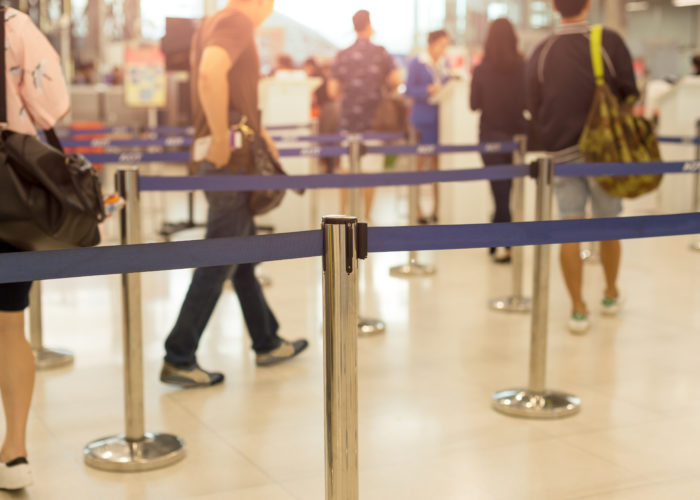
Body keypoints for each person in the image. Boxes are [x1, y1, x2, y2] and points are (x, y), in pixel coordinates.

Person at [160, 0, 308, 389]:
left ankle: (266, 340)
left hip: (229, 154)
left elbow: (229, 92)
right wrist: (224, 144)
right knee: (221, 257)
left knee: (242, 255)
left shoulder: (214, 22)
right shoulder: (237, 21)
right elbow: (211, 73)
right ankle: (179, 354)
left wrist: (259, 135)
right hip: (228, 160)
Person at [527, 0, 638, 334]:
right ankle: (610, 293)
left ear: (553, 6)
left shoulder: (542, 51)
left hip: (561, 154)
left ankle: (577, 308)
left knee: (570, 228)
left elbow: (532, 105)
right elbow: (630, 94)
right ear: (589, 4)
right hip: (604, 153)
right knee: (608, 226)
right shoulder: (608, 41)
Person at [0, 7, 70, 490]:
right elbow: (51, 105)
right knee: (9, 323)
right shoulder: (12, 26)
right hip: (8, 192)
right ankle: (14, 452)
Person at [327, 10, 403, 219]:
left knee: (346, 170)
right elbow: (397, 80)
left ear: (354, 27)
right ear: (369, 25)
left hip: (349, 120)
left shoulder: (343, 55)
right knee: (370, 172)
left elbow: (332, 91)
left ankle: (343, 216)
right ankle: (367, 218)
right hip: (374, 122)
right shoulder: (381, 53)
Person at [471, 19, 527, 263]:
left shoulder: (481, 69)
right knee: (507, 192)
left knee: (499, 192)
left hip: (490, 137)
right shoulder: (523, 66)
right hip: (515, 136)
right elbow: (528, 102)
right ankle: (500, 241)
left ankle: (500, 242)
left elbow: (474, 105)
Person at [405, 29, 451, 224]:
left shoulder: (445, 64)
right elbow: (408, 90)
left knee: (437, 167)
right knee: (418, 167)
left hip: (440, 120)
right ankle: (416, 210)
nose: (444, 49)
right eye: (441, 44)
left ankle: (437, 209)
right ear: (432, 43)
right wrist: (426, 90)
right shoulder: (417, 62)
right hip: (421, 120)